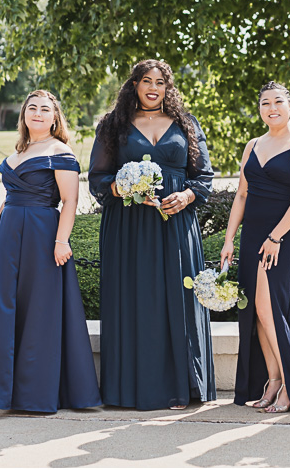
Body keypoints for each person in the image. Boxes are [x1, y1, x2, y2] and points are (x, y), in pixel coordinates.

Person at [88, 59, 215, 410]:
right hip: (129, 227)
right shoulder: (112, 126)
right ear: (134, 85)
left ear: (168, 88)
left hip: (175, 222)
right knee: (136, 299)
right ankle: (132, 389)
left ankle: (180, 387)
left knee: (177, 298)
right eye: (147, 81)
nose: (153, 87)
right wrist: (124, 189)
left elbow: (204, 176)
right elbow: (97, 179)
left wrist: (187, 195)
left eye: (160, 82)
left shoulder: (187, 124)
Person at [0, 90, 101, 413]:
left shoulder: (60, 151)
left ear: (55, 117)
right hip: (9, 235)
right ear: (24, 115)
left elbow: (70, 200)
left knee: (39, 311)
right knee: (6, 309)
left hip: (42, 236)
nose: (38, 113)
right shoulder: (21, 149)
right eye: (32, 108)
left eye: (46, 109)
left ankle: (37, 395)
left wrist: (62, 240)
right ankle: (3, 393)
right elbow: (9, 197)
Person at [221, 81, 290, 414]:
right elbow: (242, 195)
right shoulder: (252, 145)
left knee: (269, 310)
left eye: (278, 102)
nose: (272, 108)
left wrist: (275, 237)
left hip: (282, 234)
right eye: (265, 103)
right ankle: (273, 381)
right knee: (256, 314)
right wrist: (229, 239)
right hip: (251, 235)